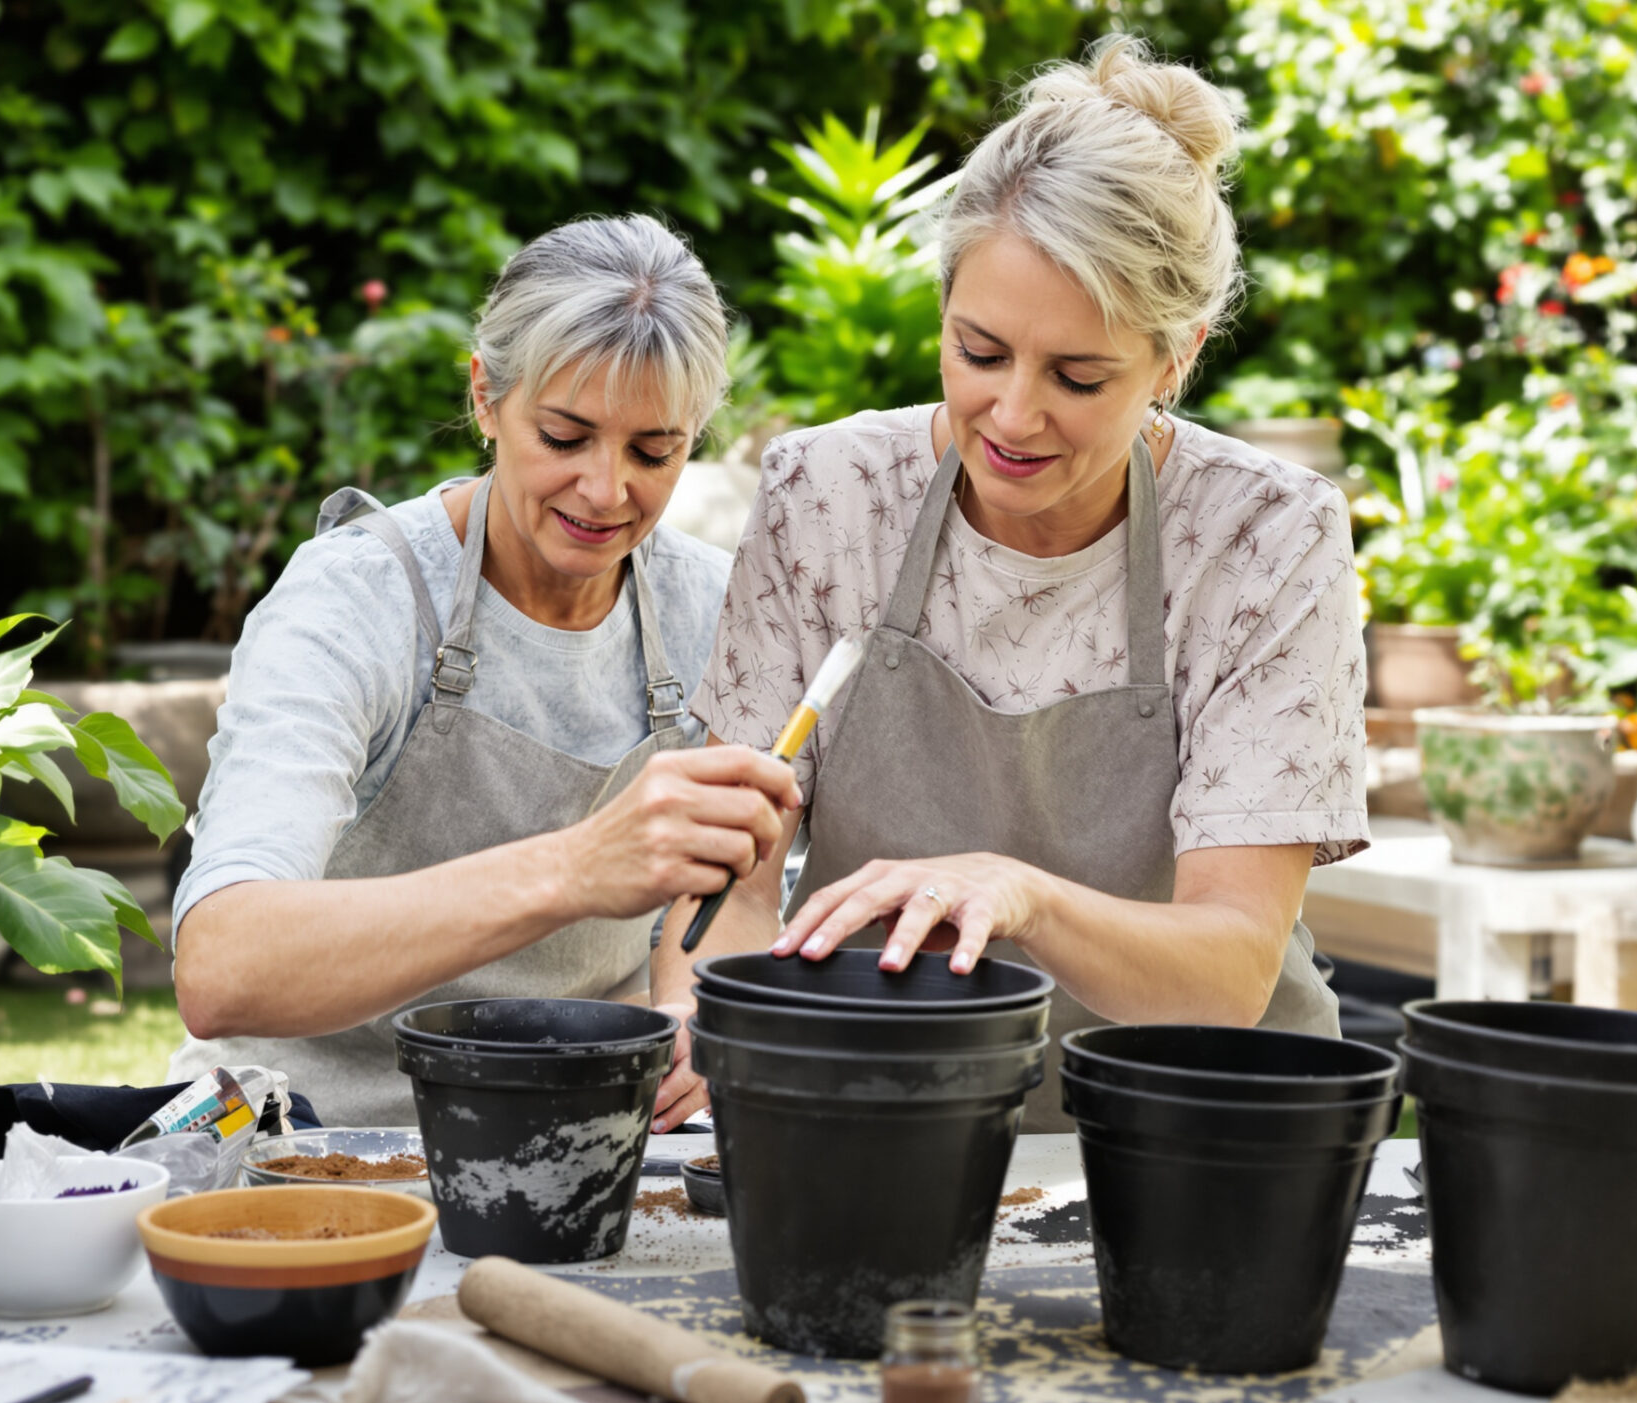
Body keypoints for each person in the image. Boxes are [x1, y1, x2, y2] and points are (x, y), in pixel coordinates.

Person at [652, 36, 1370, 1135]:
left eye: (1078, 375)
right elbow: (735, 874)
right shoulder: (830, 495)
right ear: (943, 303)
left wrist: (1018, 892)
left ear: (1173, 358)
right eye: (978, 352)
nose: (1015, 415)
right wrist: (704, 1013)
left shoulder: (1263, 537)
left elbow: (1225, 974)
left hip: (1203, 1139)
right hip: (885, 1119)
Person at [170, 215, 799, 1127]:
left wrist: (696, 1014)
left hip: (572, 1128)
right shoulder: (356, 599)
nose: (605, 489)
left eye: (653, 450)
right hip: (296, 1126)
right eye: (565, 435)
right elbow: (224, 967)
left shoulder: (717, 610)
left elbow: (729, 901)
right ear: (486, 398)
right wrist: (576, 868)